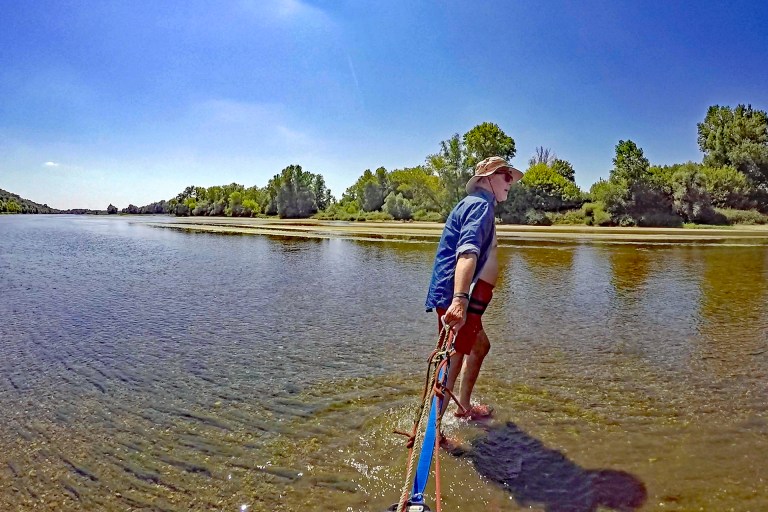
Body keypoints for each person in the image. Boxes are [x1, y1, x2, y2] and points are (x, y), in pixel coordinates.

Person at [424, 156, 523, 425]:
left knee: (480, 347)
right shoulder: (480, 207)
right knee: (453, 362)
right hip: (456, 294)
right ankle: (433, 433)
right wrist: (459, 300)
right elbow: (467, 252)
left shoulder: (479, 206)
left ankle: (463, 406)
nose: (510, 182)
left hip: (465, 295)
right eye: (505, 175)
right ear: (485, 179)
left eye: (511, 177)